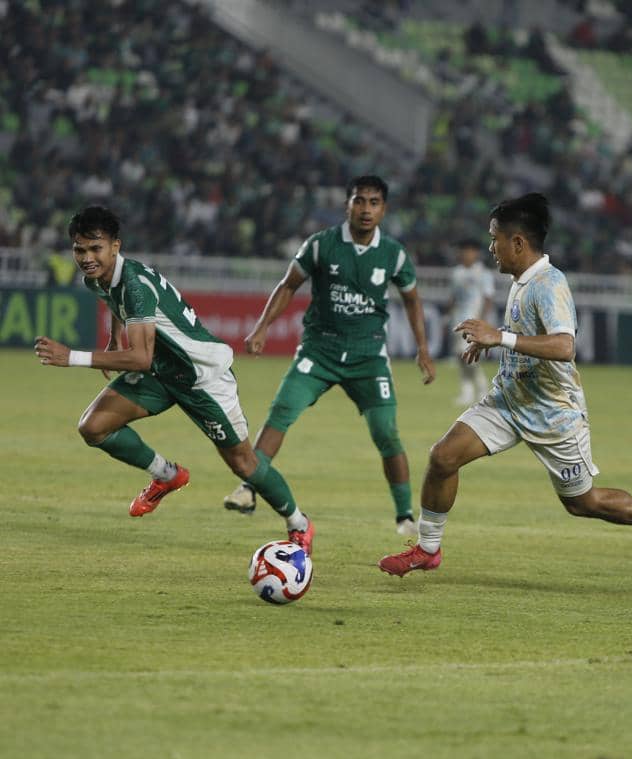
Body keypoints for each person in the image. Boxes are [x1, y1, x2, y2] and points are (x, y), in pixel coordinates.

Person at [378, 193, 632, 577]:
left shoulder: (549, 284)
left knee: (582, 503)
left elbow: (564, 346)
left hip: (554, 413)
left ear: (518, 243)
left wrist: (501, 338)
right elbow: (528, 332)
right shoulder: (521, 280)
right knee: (443, 457)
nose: (490, 248)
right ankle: (428, 550)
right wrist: (493, 340)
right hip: (510, 400)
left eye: (494, 239)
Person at [34, 206, 314, 548]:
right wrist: (113, 337)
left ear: (115, 247)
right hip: (162, 370)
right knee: (93, 427)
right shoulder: (97, 278)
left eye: (96, 249)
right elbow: (117, 305)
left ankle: (299, 524)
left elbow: (139, 358)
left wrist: (71, 357)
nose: (87, 257)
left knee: (243, 463)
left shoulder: (135, 285)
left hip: (201, 377)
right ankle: (167, 475)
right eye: (80, 249)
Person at [221, 176, 436, 542]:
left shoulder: (394, 254)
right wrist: (261, 328)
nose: (366, 209)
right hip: (320, 351)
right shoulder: (322, 245)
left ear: (384, 209)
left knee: (386, 432)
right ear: (347, 205)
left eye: (374, 203)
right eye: (359, 201)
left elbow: (412, 300)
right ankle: (248, 489)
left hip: (368, 356)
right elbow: (289, 285)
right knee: (281, 412)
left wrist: (423, 348)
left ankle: (404, 516)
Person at [447, 237, 496, 405]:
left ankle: (482, 388)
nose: (465, 254)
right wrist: (448, 314)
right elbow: (453, 297)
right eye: (463, 251)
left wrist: (482, 320)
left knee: (467, 354)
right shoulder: (457, 273)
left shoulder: (483, 273)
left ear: (476, 253)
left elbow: (488, 298)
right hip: (457, 320)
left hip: (473, 319)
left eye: (469, 251)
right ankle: (467, 393)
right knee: (460, 358)